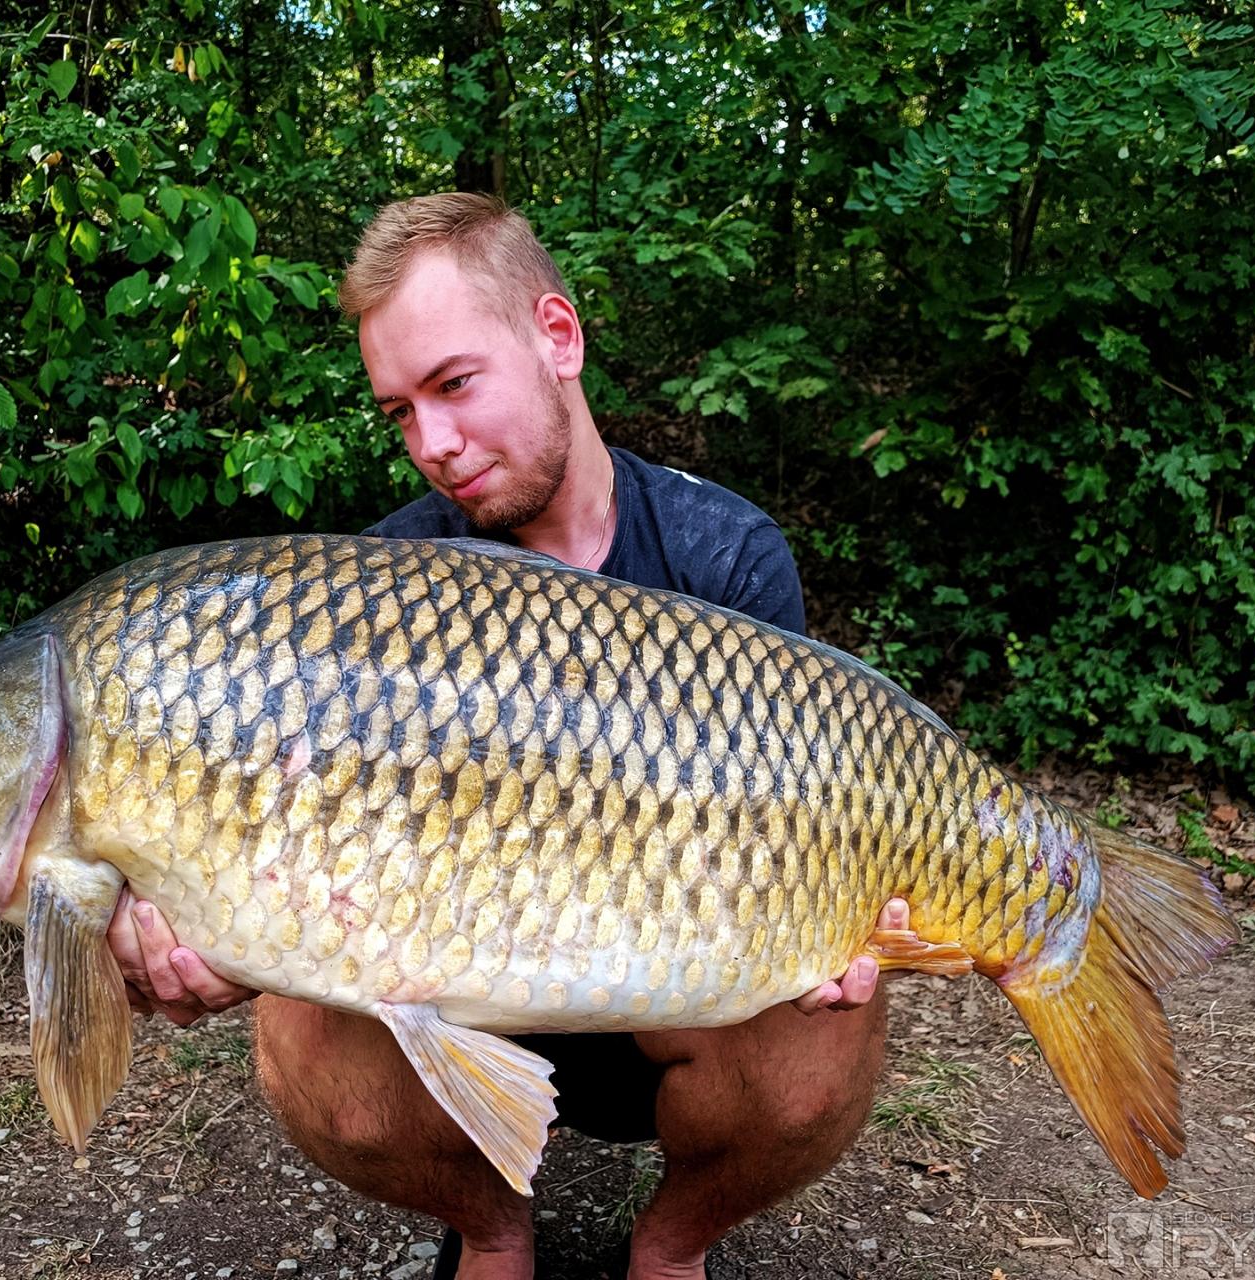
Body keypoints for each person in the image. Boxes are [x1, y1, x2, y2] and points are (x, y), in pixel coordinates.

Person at [109, 193, 913, 1280]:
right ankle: (491, 1231)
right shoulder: (378, 588)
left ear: (558, 337)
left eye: (452, 385)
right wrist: (217, 936)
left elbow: (797, 813)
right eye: (399, 412)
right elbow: (319, 851)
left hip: (677, 1001)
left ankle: (672, 1243)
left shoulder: (723, 553)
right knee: (297, 1035)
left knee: (830, 1027)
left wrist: (835, 914)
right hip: (463, 1015)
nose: (432, 445)